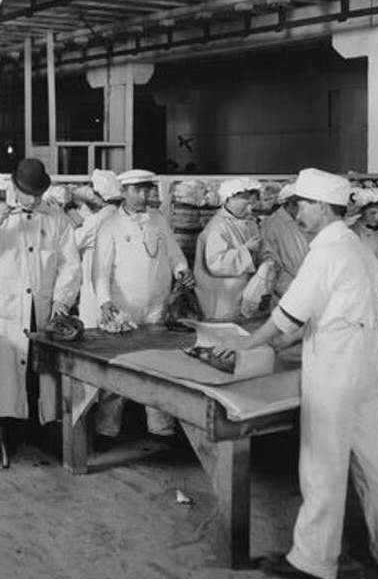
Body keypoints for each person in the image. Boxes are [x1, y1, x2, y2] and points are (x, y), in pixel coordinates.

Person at [217, 167, 378, 579]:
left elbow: (286, 316)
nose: (297, 212)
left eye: (301, 204)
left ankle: (314, 558)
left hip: (336, 367)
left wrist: (248, 345)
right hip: (365, 362)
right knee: (374, 459)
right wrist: (287, 342)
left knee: (322, 460)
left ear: (322, 206)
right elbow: (339, 309)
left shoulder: (325, 251)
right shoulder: (356, 246)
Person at [0, 158, 80, 432]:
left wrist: (62, 299)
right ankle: (9, 433)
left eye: (37, 195)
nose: (32, 200)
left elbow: (70, 265)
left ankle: (43, 429)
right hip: (8, 311)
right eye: (27, 193)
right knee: (9, 374)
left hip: (43, 309)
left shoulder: (57, 219)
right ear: (14, 187)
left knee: (42, 374)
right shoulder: (1, 218)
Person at [92, 169, 194, 448]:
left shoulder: (159, 219)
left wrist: (182, 269)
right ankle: (106, 429)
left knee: (158, 365)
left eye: (147, 189)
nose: (144, 195)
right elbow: (99, 271)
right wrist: (104, 302)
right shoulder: (109, 225)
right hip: (122, 308)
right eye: (138, 190)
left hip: (156, 306)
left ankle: (161, 428)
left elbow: (173, 253)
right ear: (124, 191)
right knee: (116, 368)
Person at [194, 177, 262, 320]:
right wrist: (246, 250)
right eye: (246, 204)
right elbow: (216, 264)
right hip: (223, 299)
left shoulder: (248, 222)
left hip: (241, 293)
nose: (250, 209)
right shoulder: (218, 226)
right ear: (230, 198)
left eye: (252, 204)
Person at [75, 169, 122, 326]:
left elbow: (73, 243)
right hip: (116, 289)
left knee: (94, 329)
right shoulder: (117, 214)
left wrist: (66, 213)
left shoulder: (98, 219)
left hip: (96, 289)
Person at [260, 182, 310, 301]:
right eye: (302, 207)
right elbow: (271, 267)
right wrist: (294, 295)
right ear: (290, 205)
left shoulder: (301, 221)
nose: (306, 211)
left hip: (308, 290)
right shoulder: (272, 225)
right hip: (289, 295)